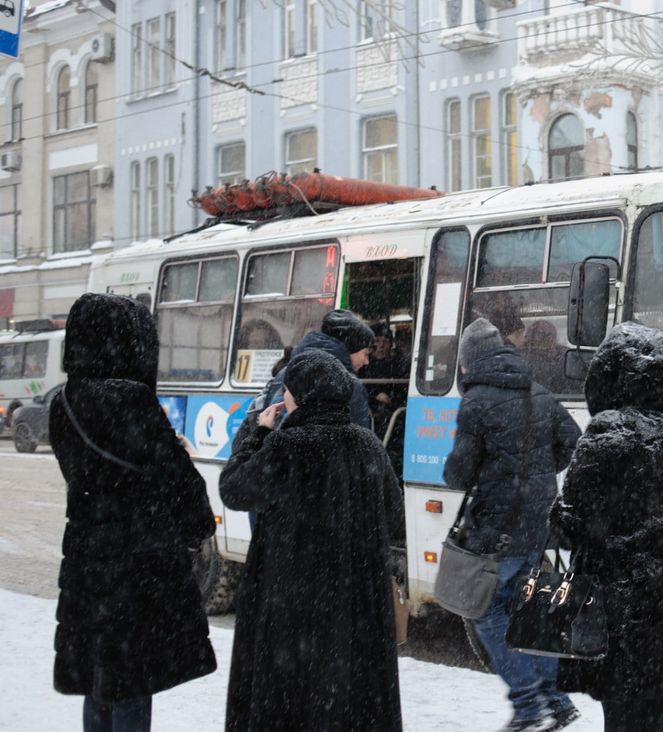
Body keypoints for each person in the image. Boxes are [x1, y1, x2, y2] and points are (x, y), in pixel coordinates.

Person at [49, 293, 217, 732]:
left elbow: (81, 475)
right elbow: (180, 486)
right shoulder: (131, 401)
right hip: (135, 565)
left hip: (87, 564)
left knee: (98, 678)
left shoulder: (62, 404)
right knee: (130, 681)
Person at [220, 349, 405, 731]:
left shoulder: (288, 447)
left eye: (288, 391)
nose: (284, 399)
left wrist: (258, 434)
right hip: (355, 604)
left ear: (302, 396)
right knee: (348, 702)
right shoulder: (368, 445)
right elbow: (395, 517)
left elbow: (234, 490)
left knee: (293, 701)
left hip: (294, 604)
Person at [549, 321, 663, 732]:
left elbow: (572, 524)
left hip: (615, 599)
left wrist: (560, 516)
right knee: (654, 703)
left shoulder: (607, 433)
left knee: (620, 709)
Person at [443, 318, 581, 732]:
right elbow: (572, 442)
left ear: (469, 361)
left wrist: (489, 475)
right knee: (532, 612)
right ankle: (556, 700)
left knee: (486, 611)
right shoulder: (538, 391)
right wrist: (538, 477)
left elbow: (459, 473)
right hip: (537, 523)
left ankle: (527, 704)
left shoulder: (476, 402)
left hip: (496, 527)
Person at [262, 309, 375, 432]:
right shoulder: (350, 385)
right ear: (351, 348)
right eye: (365, 353)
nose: (366, 361)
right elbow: (358, 444)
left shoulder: (284, 373)